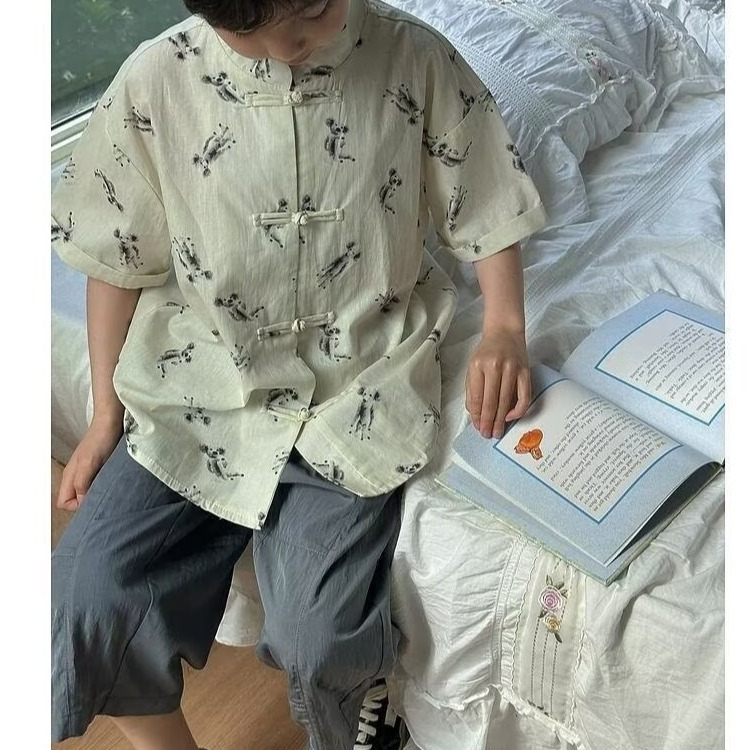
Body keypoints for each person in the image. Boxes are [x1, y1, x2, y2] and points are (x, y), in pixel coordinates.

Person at [50, 0, 547, 748]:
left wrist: (505, 326)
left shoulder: (414, 58)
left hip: (358, 384)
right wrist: (102, 417)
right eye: (250, 33)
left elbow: (484, 193)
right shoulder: (156, 80)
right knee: (88, 594)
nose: (291, 45)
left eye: (314, 10)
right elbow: (115, 253)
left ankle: (362, 730)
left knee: (321, 639)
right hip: (201, 382)